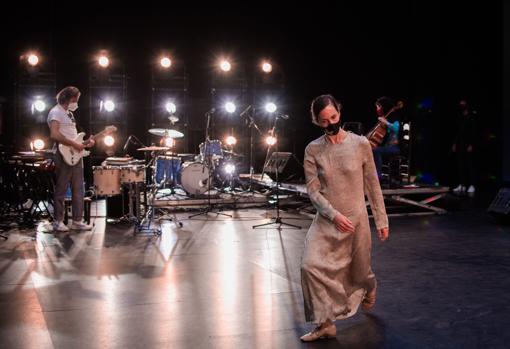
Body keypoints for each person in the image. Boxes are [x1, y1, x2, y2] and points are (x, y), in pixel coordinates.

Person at [300, 94, 389, 342]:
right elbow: (313, 191)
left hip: (356, 222)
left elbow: (373, 185)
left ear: (339, 111)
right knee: (310, 266)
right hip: (327, 220)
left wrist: (381, 220)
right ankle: (325, 324)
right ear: (316, 121)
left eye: (334, 117)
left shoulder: (360, 144)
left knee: (358, 274)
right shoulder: (313, 149)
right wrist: (333, 214)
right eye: (324, 120)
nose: (331, 123)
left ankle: (370, 286)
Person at [47, 86, 95, 232]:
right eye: (77, 99)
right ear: (70, 98)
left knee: (78, 188)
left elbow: (73, 136)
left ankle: (77, 220)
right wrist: (74, 144)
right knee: (61, 187)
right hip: (62, 154)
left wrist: (86, 142)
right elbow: (55, 135)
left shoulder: (69, 114)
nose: (77, 102)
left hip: (75, 154)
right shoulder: (56, 112)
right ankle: (58, 220)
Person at [371, 96, 401, 180]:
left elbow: (396, 128)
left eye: (379, 106)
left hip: (395, 147)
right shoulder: (386, 117)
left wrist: (386, 122)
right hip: (387, 146)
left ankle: (378, 176)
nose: (377, 109)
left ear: (384, 107)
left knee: (375, 150)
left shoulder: (394, 116)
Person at [451, 99, 476, 194]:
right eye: (460, 103)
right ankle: (462, 185)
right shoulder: (460, 117)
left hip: (468, 144)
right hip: (460, 144)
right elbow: (457, 132)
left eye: (463, 103)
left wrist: (471, 144)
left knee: (469, 165)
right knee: (460, 165)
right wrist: (454, 143)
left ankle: (472, 185)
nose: (461, 105)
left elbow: (474, 132)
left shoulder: (471, 116)